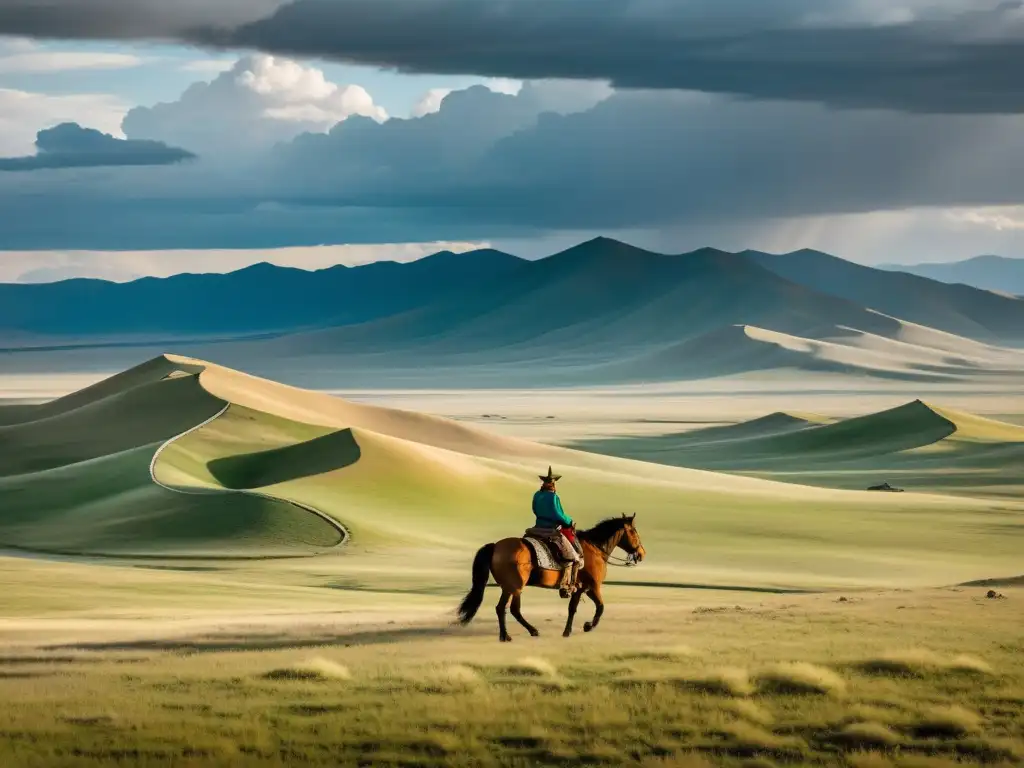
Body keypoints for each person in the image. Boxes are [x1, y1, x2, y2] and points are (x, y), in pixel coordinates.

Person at [531, 467, 583, 596]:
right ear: (553, 484)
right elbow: (557, 513)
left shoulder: (537, 495)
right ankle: (566, 585)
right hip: (551, 529)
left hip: (537, 527)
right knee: (572, 557)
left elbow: (535, 510)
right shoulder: (553, 496)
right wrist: (569, 521)